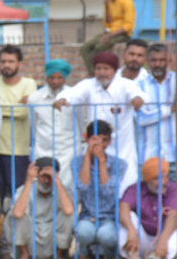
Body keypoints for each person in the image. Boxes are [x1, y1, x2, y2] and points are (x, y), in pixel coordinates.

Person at [54, 50, 145, 193]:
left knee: (125, 188)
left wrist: (137, 99)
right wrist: (62, 99)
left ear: (114, 70)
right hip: (96, 146)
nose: (102, 72)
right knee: (95, 189)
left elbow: (138, 94)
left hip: (122, 147)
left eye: (106, 68)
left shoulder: (125, 85)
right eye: (98, 68)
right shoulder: (89, 85)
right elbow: (72, 94)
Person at [74, 119, 127, 259]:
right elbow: (83, 186)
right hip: (87, 216)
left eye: (104, 140)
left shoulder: (119, 164)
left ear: (110, 141)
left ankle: (110, 257)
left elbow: (107, 190)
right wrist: (87, 156)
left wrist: (101, 161)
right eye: (95, 140)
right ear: (87, 139)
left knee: (106, 235)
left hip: (109, 217)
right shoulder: (77, 162)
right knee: (83, 232)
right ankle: (84, 255)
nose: (100, 144)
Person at [8, 157, 74, 259]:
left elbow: (69, 211)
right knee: (16, 214)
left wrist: (57, 180)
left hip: (52, 238)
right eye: (43, 176)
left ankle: (59, 255)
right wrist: (29, 181)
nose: (46, 181)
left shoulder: (62, 190)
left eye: (49, 177)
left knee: (68, 215)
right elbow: (18, 213)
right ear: (37, 175)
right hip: (31, 238)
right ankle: (24, 254)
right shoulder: (26, 189)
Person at [0, 45, 36, 206]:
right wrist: (16, 105)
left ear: (20, 64)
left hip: (19, 150)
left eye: (11, 61)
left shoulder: (29, 83)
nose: (7, 65)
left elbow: (24, 112)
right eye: (3, 61)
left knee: (18, 194)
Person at [27, 59, 77, 195]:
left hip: (68, 151)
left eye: (59, 77)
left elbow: (78, 124)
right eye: (52, 77)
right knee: (43, 186)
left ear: (65, 78)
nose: (55, 81)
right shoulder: (35, 98)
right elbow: (33, 125)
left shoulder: (74, 96)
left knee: (67, 188)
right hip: (43, 150)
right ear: (46, 77)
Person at [118, 157, 176, 259]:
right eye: (157, 178)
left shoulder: (173, 189)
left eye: (166, 177)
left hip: (165, 238)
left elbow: (173, 214)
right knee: (128, 217)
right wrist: (131, 230)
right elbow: (123, 207)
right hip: (140, 240)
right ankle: (132, 255)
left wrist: (163, 240)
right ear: (147, 179)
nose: (163, 182)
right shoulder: (135, 189)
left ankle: (156, 258)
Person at [79, 0, 134, 74]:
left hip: (123, 34)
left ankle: (95, 72)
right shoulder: (108, 1)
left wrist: (110, 36)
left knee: (99, 47)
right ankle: (92, 73)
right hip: (109, 31)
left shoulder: (126, 1)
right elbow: (107, 23)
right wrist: (107, 7)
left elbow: (128, 26)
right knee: (84, 48)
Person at [137, 43, 175, 179]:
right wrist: (170, 109)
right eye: (154, 60)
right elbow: (140, 119)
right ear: (147, 61)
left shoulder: (175, 82)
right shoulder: (139, 86)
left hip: (173, 156)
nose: (158, 64)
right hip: (148, 157)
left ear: (168, 60)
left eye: (162, 60)